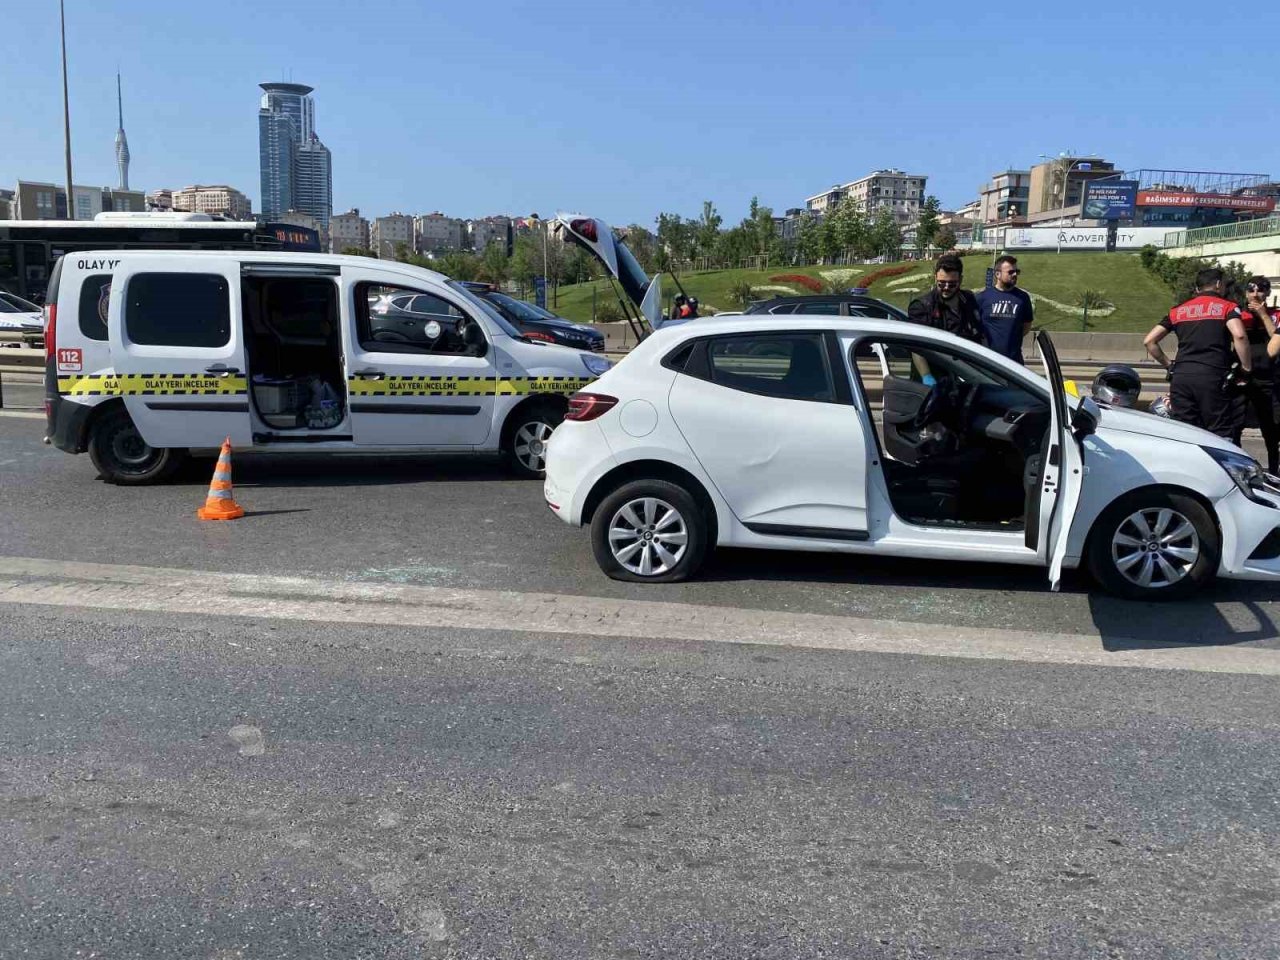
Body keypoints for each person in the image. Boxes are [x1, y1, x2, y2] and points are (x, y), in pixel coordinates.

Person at [1143, 267, 1252, 441]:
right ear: (1218, 284)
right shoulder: (1228, 307)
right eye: (1223, 284)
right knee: (1220, 433)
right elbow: (1239, 335)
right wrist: (1246, 368)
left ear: (1197, 288)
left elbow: (1149, 341)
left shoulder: (1177, 310)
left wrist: (1169, 366)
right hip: (1212, 376)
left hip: (1181, 377)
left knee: (1184, 431)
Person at [1245, 275, 1280, 472]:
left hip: (1271, 379)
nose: (1255, 294)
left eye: (1260, 290)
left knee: (1272, 430)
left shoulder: (1276, 315)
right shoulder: (1239, 315)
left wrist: (1263, 315)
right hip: (1246, 378)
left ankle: (1274, 469)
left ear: (1268, 292)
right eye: (1251, 290)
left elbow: (1276, 336)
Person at [908, 254, 984, 344]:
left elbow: (979, 332)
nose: (946, 288)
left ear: (960, 280)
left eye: (952, 284)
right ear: (936, 278)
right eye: (942, 283)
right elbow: (919, 349)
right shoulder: (922, 307)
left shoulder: (968, 298)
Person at [975, 254, 1034, 363]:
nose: (1015, 274)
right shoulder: (982, 298)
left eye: (1017, 271)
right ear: (997, 274)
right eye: (1011, 272)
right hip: (988, 361)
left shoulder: (1022, 298)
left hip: (1014, 362)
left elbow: (1026, 325)